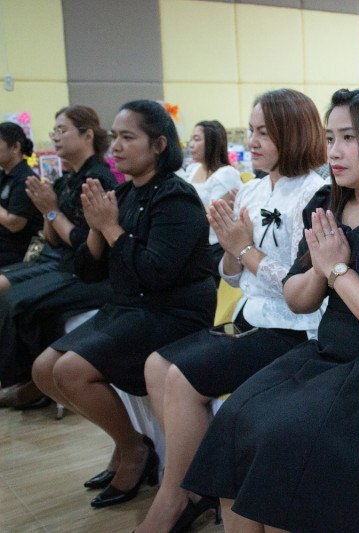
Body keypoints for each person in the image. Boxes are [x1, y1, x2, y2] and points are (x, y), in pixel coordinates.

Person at [182, 87, 359, 532]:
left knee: (284, 441)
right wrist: (320, 268)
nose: (334, 151)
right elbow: (299, 299)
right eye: (330, 138)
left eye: (348, 138)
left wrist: (337, 269)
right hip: (333, 357)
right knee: (237, 418)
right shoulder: (328, 205)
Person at [136, 89, 327, 532]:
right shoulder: (252, 189)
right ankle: (198, 480)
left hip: (293, 328)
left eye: (265, 133)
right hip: (249, 316)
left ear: (295, 133)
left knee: (182, 377)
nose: (252, 142)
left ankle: (176, 495)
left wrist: (244, 248)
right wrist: (231, 248)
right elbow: (233, 277)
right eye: (252, 130)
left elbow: (301, 288)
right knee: (155, 365)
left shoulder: (316, 195)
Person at [31, 100, 216, 509]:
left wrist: (110, 226)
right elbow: (87, 270)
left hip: (173, 312)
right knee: (44, 369)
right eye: (114, 137)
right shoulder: (122, 193)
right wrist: (96, 228)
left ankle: (133, 451)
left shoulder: (177, 198)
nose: (114, 146)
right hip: (129, 306)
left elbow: (156, 273)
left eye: (127, 137)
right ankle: (128, 442)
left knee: (70, 371)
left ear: (159, 144)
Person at [0, 106, 117, 408]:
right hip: (65, 264)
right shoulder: (67, 179)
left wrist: (52, 210)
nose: (55, 137)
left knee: (17, 301)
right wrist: (47, 211)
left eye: (62, 130)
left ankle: (30, 384)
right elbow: (53, 238)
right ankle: (23, 379)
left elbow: (84, 243)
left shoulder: (98, 179)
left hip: (94, 274)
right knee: (13, 298)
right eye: (54, 131)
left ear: (87, 135)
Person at [182, 120, 242, 270]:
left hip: (215, 247)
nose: (191, 145)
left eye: (197, 139)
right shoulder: (193, 169)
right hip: (192, 242)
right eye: (191, 139)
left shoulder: (226, 174)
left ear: (212, 142)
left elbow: (214, 216)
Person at [0, 123, 42, 268]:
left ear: (15, 147)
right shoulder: (4, 175)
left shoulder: (27, 179)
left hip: (17, 253)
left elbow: (14, 223)